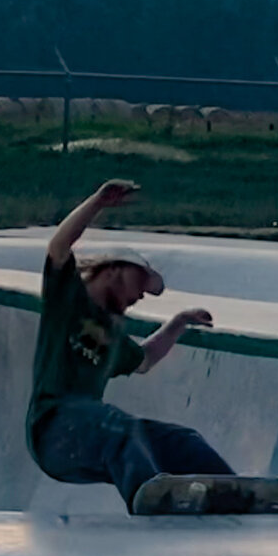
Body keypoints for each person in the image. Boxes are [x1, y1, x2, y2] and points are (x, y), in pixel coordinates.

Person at [26, 177, 241, 514]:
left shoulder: (114, 340)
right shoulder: (68, 299)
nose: (140, 295)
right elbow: (58, 247)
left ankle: (234, 495)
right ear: (113, 270)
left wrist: (178, 323)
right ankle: (154, 500)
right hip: (53, 430)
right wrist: (97, 202)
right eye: (140, 283)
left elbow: (145, 359)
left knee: (183, 442)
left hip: (91, 437)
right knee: (115, 423)